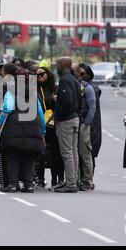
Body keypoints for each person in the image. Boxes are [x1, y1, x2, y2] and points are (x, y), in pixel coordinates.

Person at [0, 67, 46, 193]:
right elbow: (40, 113)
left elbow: (7, 108)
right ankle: (28, 185)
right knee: (29, 157)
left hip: (13, 128)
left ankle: (12, 184)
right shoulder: (34, 93)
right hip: (33, 126)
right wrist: (42, 131)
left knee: (12, 156)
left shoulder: (11, 91)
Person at [54, 57, 81, 193]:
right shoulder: (75, 80)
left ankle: (70, 184)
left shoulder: (65, 80)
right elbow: (78, 101)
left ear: (62, 65)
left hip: (66, 120)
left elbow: (67, 101)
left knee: (67, 153)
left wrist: (58, 117)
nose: (56, 67)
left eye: (57, 64)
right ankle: (74, 180)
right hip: (75, 118)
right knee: (73, 151)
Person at [35, 66, 64, 189]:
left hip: (53, 124)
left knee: (54, 153)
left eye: (42, 74)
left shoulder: (54, 88)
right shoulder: (35, 88)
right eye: (37, 75)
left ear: (48, 74)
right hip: (40, 123)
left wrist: (55, 100)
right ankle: (40, 179)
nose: (39, 77)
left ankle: (55, 179)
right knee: (41, 151)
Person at [74, 64, 96, 191]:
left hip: (82, 124)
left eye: (82, 73)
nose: (80, 76)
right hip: (74, 122)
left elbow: (92, 108)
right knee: (73, 153)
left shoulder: (88, 88)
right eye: (78, 73)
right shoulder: (74, 86)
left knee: (85, 153)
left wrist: (86, 123)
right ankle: (75, 179)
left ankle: (87, 180)